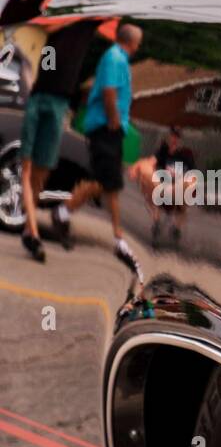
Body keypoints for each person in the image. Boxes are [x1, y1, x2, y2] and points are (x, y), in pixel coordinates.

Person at [15, 17, 105, 262]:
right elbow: (44, 26)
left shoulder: (90, 21)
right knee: (27, 165)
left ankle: (28, 228)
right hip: (38, 96)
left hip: (59, 102)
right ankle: (32, 232)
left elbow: (112, 19)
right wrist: (67, 19)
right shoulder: (59, 18)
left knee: (42, 172)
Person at [62, 22, 142, 264]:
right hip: (106, 127)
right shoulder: (115, 58)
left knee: (109, 183)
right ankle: (63, 212)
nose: (139, 46)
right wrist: (115, 122)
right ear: (133, 42)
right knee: (105, 181)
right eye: (139, 41)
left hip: (109, 127)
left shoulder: (117, 58)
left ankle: (117, 237)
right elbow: (109, 92)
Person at [129, 125, 196, 244]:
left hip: (179, 189)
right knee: (155, 193)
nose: (174, 139)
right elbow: (151, 161)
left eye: (177, 137)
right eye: (173, 136)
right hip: (164, 187)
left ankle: (177, 227)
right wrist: (139, 168)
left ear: (181, 140)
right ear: (169, 137)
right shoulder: (163, 150)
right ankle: (156, 223)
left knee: (185, 198)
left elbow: (193, 174)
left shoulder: (187, 154)